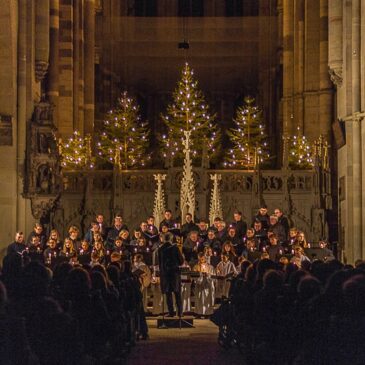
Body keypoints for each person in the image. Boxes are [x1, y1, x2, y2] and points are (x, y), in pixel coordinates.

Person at [158, 232, 184, 317]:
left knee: (168, 294)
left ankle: (171, 312)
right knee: (177, 293)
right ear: (171, 239)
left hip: (165, 274)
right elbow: (181, 261)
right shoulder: (175, 248)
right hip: (175, 274)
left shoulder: (160, 249)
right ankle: (179, 312)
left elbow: (159, 263)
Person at [193, 253, 215, 317]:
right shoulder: (196, 266)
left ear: (205, 258)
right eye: (200, 258)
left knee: (207, 299)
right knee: (199, 299)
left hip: (207, 285)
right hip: (199, 285)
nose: (201, 260)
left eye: (202, 258)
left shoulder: (210, 267)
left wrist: (207, 276)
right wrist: (200, 277)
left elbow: (213, 276)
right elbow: (194, 276)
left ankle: (207, 313)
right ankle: (199, 313)